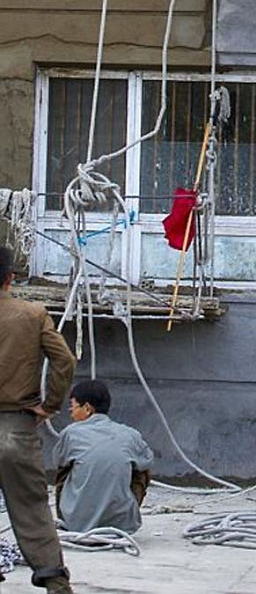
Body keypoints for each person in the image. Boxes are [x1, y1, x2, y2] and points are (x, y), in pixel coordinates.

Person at [0, 244, 76, 592]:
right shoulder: (32, 314)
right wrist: (50, 405)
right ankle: (55, 583)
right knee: (31, 508)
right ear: (9, 279)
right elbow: (65, 361)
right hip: (16, 427)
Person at [51, 380, 153, 535]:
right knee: (141, 470)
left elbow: (59, 461)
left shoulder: (70, 433)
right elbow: (147, 460)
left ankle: (71, 518)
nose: (70, 412)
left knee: (65, 469)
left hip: (76, 524)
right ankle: (120, 518)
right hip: (122, 525)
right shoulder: (130, 434)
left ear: (87, 408)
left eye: (72, 406)